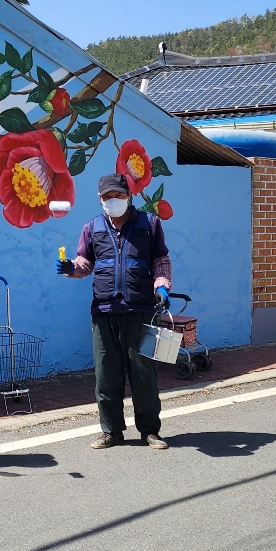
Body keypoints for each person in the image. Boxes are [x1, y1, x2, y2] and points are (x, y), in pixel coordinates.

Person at [56, 173, 174, 451]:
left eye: (119, 196)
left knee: (144, 375)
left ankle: (150, 431)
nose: (114, 201)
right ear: (101, 199)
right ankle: (112, 431)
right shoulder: (92, 227)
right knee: (106, 376)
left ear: (129, 196)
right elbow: (86, 263)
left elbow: (161, 259)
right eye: (108, 197)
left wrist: (162, 286)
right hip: (104, 311)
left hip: (140, 310)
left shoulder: (150, 223)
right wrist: (72, 268)